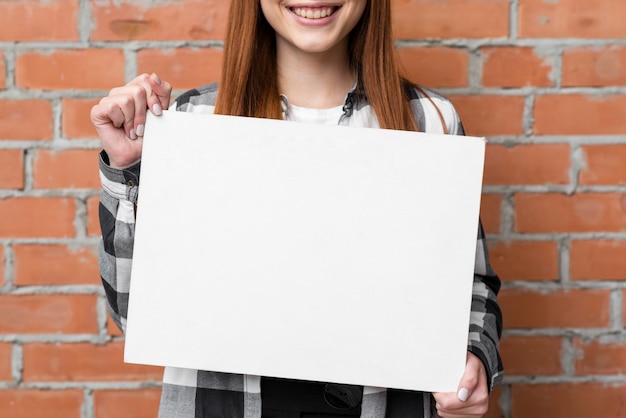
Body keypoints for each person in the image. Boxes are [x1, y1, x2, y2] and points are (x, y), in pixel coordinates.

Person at [91, 1, 503, 417]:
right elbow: (132, 313)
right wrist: (128, 170)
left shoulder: (431, 122)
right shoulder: (193, 121)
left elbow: (471, 286)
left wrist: (473, 358)